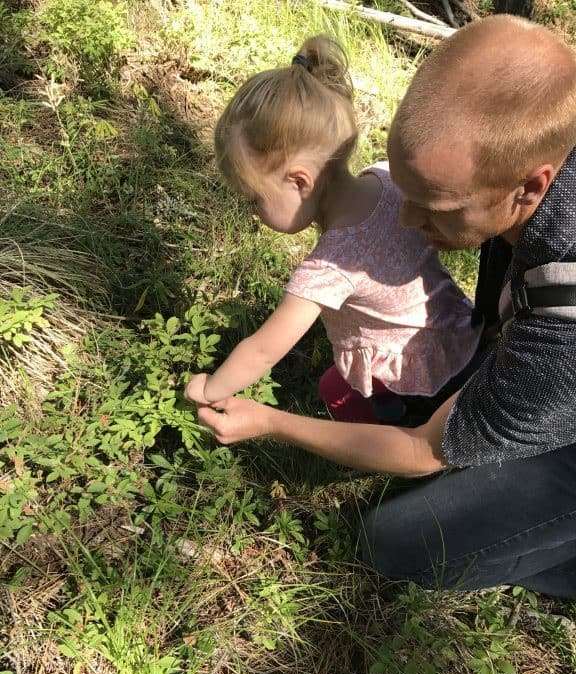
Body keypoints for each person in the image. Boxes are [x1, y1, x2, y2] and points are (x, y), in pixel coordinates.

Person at [192, 15, 576, 598]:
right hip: (476, 348)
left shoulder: (560, 333)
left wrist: (264, 418)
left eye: (436, 207)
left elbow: (422, 448)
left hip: (523, 394)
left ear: (531, 186)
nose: (405, 220)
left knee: (394, 544)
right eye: (408, 190)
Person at [185, 36, 482, 426]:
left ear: (299, 182)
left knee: (334, 391)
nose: (252, 213)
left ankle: (389, 435)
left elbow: (263, 350)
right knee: (335, 381)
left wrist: (210, 390)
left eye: (254, 199)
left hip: (419, 379)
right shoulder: (386, 178)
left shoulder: (328, 268)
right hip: (461, 332)